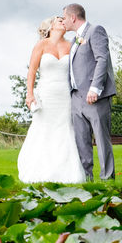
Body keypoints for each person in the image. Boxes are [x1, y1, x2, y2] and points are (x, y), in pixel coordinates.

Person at [17, 16, 86, 184]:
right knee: (43, 129)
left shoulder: (71, 45)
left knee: (64, 130)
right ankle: (39, 171)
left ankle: (67, 173)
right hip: (46, 94)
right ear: (50, 26)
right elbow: (32, 71)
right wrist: (29, 93)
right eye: (59, 20)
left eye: (64, 20)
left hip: (65, 95)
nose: (63, 22)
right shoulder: (41, 45)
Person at [61, 4, 116, 181]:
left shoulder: (95, 31)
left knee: (101, 139)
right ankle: (87, 179)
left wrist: (95, 88)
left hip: (95, 97)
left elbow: (102, 59)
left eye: (64, 18)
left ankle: (107, 178)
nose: (63, 21)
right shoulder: (74, 40)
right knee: (81, 141)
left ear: (73, 18)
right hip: (76, 97)